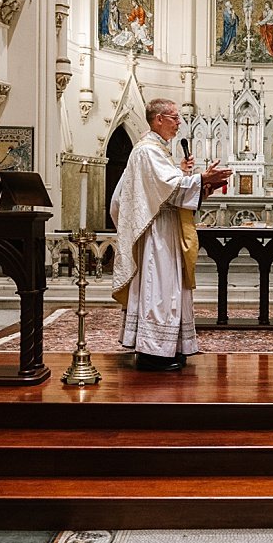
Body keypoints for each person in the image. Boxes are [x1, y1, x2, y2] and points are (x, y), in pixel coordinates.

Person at [110, 99, 229, 372]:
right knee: (160, 289)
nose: (179, 123)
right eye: (175, 117)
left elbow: (172, 189)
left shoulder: (157, 151)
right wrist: (200, 178)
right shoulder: (147, 151)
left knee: (168, 289)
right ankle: (154, 352)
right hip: (157, 234)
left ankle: (167, 347)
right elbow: (171, 189)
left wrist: (199, 183)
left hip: (165, 229)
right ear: (159, 119)